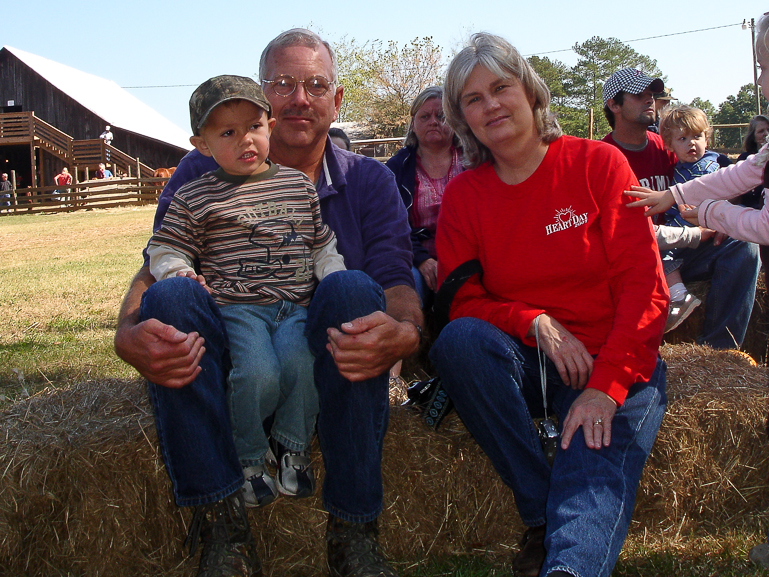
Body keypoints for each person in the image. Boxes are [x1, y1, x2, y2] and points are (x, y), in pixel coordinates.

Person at [114, 28, 420, 577]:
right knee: (173, 295)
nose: (300, 98)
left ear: (337, 99)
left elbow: (396, 280)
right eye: (282, 84)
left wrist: (405, 331)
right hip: (231, 356)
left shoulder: (371, 181)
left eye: (315, 84)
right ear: (263, 97)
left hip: (322, 359)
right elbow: (155, 261)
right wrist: (127, 331)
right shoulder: (203, 170)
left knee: (350, 288)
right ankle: (222, 529)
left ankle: (354, 533)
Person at [429, 33, 668, 577]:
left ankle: (567, 565)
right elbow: (460, 302)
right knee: (459, 344)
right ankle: (538, 508)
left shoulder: (599, 165)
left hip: (616, 359)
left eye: (500, 87)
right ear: (462, 119)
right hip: (528, 361)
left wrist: (605, 389)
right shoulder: (464, 197)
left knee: (592, 459)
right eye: (472, 99)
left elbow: (645, 288)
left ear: (531, 92)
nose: (490, 105)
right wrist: (531, 320)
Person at [148, 75, 347, 511]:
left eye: (254, 126)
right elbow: (164, 247)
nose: (246, 140)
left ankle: (291, 445)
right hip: (238, 308)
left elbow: (321, 244)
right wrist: (179, 271)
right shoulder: (196, 195)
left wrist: (333, 277)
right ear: (202, 145)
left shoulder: (296, 186)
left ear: (270, 126)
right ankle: (248, 456)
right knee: (258, 374)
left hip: (296, 305)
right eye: (227, 133)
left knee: (302, 365)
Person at [603, 68, 759, 350]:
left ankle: (718, 352)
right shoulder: (603, 159)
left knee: (744, 245)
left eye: (651, 94)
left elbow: (715, 184)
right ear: (614, 105)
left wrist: (721, 221)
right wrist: (695, 234)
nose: (650, 100)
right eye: (639, 95)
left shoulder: (667, 147)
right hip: (642, 260)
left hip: (684, 248)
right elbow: (623, 235)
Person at [385, 86, 463, 307]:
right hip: (415, 258)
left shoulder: (474, 161)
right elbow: (391, 225)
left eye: (441, 116)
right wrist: (422, 260)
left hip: (467, 257)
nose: (433, 122)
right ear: (413, 123)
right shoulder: (397, 167)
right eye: (425, 116)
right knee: (406, 286)